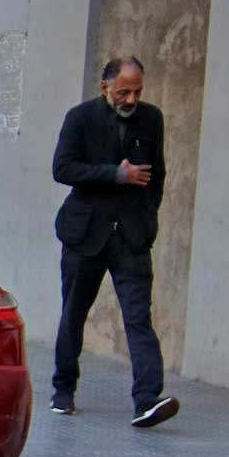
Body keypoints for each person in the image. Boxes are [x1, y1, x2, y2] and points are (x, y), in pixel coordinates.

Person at [49, 56, 178, 427]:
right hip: (85, 233)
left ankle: (147, 400)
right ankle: (63, 389)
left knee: (139, 317)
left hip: (131, 237)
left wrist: (149, 218)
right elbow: (63, 168)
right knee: (74, 312)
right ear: (105, 86)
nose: (130, 99)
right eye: (123, 91)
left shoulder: (151, 118)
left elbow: (158, 174)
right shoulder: (80, 118)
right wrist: (115, 175)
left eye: (137, 91)